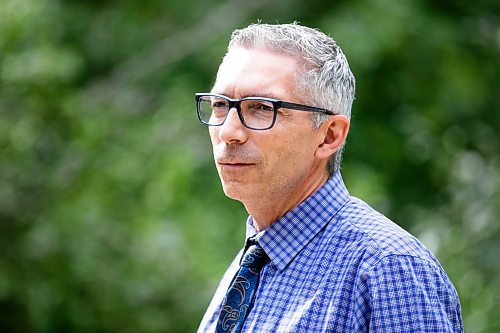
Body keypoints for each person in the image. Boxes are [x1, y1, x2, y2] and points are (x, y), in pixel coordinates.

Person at [195, 22, 463, 333]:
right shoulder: (252, 265)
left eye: (261, 108)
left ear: (329, 136)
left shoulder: (387, 269)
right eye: (220, 105)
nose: (228, 131)